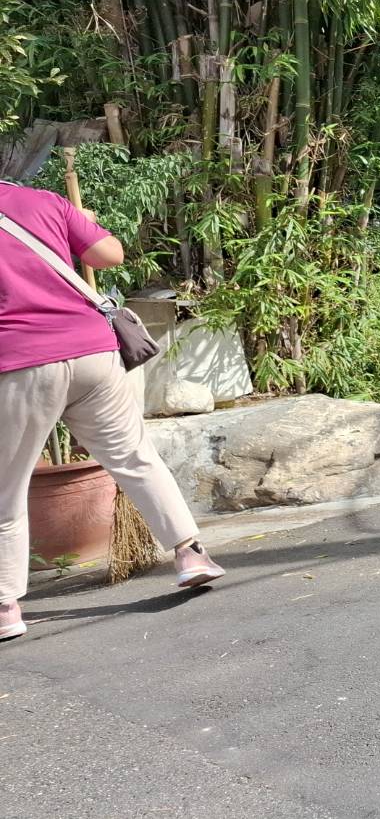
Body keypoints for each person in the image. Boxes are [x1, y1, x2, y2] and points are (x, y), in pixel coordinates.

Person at [0, 180, 224, 643]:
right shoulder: (43, 201)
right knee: (135, 456)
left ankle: (4, 605)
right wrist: (77, 227)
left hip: (20, 362)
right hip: (93, 352)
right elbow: (109, 255)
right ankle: (191, 553)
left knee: (6, 487)